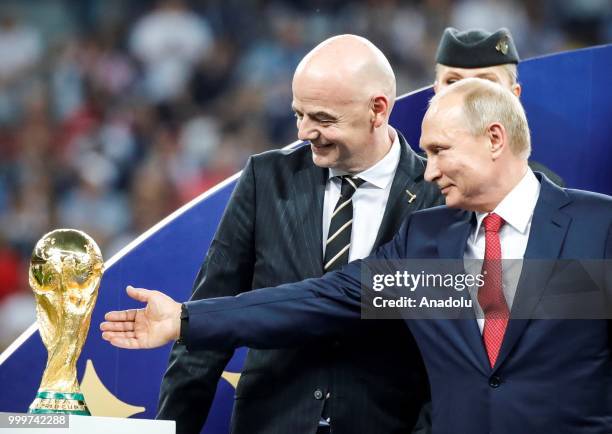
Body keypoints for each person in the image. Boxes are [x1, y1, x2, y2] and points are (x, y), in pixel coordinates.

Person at [101, 78, 612, 433]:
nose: (429, 172)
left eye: (439, 151)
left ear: (494, 139)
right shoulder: (428, 239)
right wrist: (187, 318)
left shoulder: (600, 227)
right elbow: (323, 298)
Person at [155, 34, 442, 434]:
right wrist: (173, 427)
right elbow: (209, 318)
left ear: (378, 110)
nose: (305, 132)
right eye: (298, 114)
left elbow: (449, 350)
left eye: (323, 119)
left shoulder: (437, 193)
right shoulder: (266, 178)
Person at [433, 27, 564, 186]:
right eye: (453, 82)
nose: (466, 94)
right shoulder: (407, 182)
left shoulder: (542, 188)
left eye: (486, 82)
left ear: (514, 96)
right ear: (436, 92)